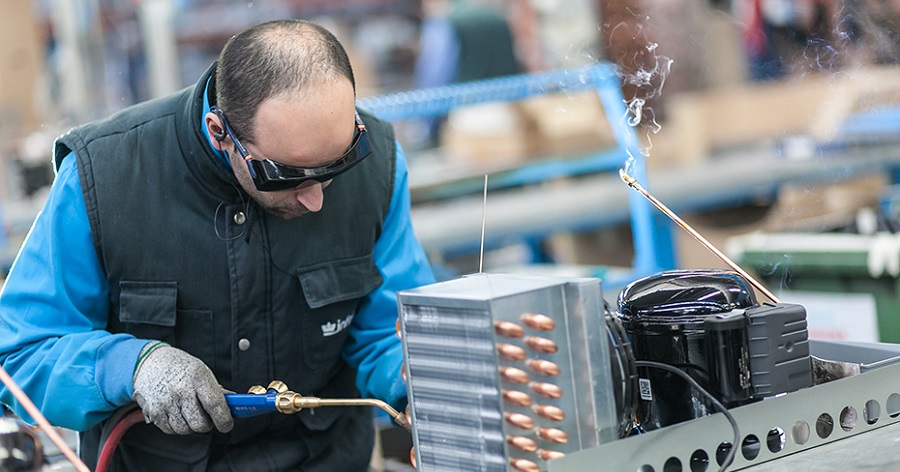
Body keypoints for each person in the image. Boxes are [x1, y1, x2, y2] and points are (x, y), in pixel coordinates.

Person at [0, 19, 434, 471]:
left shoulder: (380, 164)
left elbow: (389, 332)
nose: (315, 198)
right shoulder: (104, 178)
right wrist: (130, 367)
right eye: (286, 175)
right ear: (219, 130)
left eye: (337, 166)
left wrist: (421, 380)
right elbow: (19, 353)